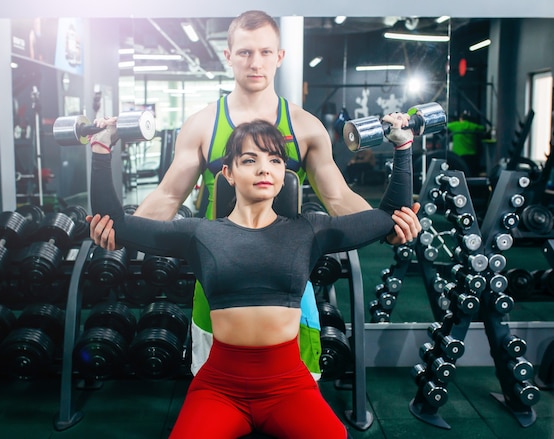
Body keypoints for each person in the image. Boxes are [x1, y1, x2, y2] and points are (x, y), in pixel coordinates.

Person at [87, 10, 421, 378]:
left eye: (265, 52)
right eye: (245, 52)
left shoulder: (305, 127)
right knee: (216, 388)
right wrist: (121, 231)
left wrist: (386, 224)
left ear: (279, 57)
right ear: (228, 56)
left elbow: (338, 198)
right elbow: (168, 196)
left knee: (294, 393)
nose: (255, 62)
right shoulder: (202, 125)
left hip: (288, 281)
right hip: (218, 279)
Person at [88, 115, 418, 438]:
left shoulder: (310, 231)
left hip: (289, 386)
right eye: (250, 160)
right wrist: (102, 149)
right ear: (228, 173)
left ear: (283, 173)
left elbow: (389, 217)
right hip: (219, 387)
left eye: (275, 160)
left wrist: (402, 147)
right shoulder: (199, 234)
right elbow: (116, 223)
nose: (264, 168)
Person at [447, 110, 487, 176]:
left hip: (459, 153)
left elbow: (445, 126)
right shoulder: (472, 126)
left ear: (460, 118)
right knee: (471, 171)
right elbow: (483, 128)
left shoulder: (456, 125)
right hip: (472, 153)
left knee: (461, 171)